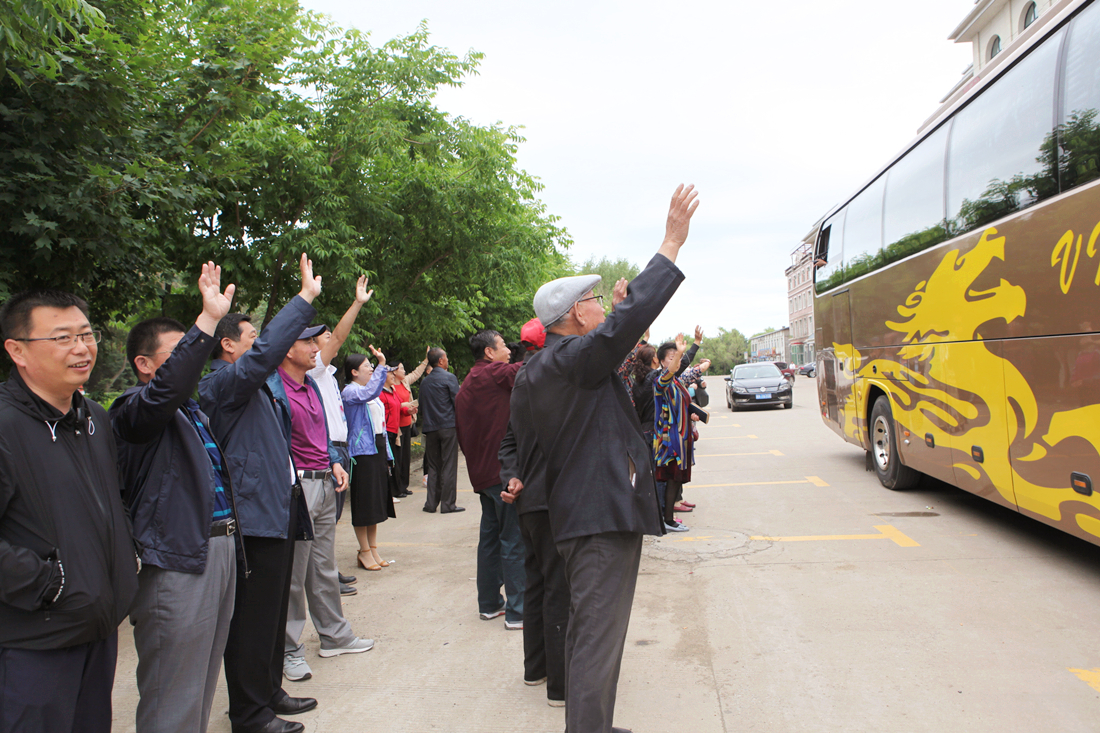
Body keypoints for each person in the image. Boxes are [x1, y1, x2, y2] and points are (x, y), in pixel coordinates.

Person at [503, 183, 699, 733]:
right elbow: (618, 335)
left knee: (598, 632)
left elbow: (612, 345)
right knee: (595, 636)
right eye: (590, 302)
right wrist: (670, 245)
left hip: (582, 516)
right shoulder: (569, 362)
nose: (597, 306)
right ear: (571, 316)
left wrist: (617, 315)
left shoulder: (550, 365)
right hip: (596, 518)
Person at [0, 290, 139, 733]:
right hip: (34, 642)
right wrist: (48, 583)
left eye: (86, 334)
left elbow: (109, 501)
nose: (81, 348)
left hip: (97, 628)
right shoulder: (6, 426)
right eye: (62, 338)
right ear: (17, 350)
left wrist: (126, 556)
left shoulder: (93, 418)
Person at [110, 263, 240, 733]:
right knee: (173, 694)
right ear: (145, 364)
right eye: (179, 352)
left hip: (216, 550)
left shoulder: (190, 412)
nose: (193, 362)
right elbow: (163, 393)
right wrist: (206, 323)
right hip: (177, 561)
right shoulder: (133, 410)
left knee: (201, 684)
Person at [198, 253, 321, 733]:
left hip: (279, 508)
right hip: (253, 517)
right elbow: (270, 351)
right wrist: (304, 298)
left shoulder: (260, 387)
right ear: (228, 346)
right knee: (251, 620)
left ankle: (270, 693)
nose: (261, 347)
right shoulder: (223, 385)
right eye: (251, 339)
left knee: (271, 613)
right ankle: (249, 713)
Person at [278, 326, 373, 685]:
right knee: (294, 574)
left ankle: (335, 635)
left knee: (323, 566)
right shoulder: (274, 387)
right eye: (308, 342)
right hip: (298, 486)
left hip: (323, 481)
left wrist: (333, 460)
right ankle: (287, 648)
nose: (317, 347)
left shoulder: (312, 385)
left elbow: (320, 433)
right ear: (287, 349)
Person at [306, 275, 375, 593]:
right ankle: (323, 578)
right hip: (329, 449)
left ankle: (327, 572)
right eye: (320, 338)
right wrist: (357, 304)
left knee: (330, 518)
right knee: (324, 519)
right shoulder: (315, 369)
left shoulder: (328, 375)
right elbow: (338, 336)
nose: (328, 340)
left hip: (340, 448)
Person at [455, 329, 525, 629]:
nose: (509, 351)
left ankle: (489, 604)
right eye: (503, 347)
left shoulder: (467, 382)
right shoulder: (494, 373)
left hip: (482, 473)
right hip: (501, 471)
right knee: (513, 539)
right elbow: (528, 370)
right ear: (489, 353)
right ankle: (518, 610)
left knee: (490, 538)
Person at [341, 349, 395, 571]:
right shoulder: (351, 392)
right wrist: (382, 363)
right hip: (361, 453)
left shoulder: (367, 391)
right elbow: (370, 394)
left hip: (377, 449)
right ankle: (363, 551)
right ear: (354, 372)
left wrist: (389, 454)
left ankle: (373, 548)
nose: (371, 369)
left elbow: (380, 426)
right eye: (367, 366)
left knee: (376, 503)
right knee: (364, 503)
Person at [419, 347, 464, 514]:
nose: (447, 361)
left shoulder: (425, 382)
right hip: (448, 427)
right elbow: (457, 403)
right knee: (448, 465)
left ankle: (431, 504)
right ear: (440, 361)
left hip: (430, 428)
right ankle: (448, 504)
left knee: (433, 466)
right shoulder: (449, 378)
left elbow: (422, 406)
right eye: (445, 358)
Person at [393, 352, 428, 496]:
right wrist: (404, 407)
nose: (404, 371)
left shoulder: (405, 381)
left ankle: (404, 486)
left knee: (406, 457)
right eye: (401, 368)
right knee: (398, 457)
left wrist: (426, 360)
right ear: (394, 371)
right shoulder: (388, 385)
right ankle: (396, 488)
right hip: (396, 427)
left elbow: (416, 373)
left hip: (407, 423)